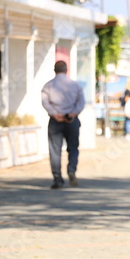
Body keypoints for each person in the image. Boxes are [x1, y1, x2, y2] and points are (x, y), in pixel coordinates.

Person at [41, 60, 85, 189]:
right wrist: (73, 113)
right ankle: (71, 169)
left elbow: (45, 102)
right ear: (66, 70)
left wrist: (54, 113)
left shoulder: (48, 86)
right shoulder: (75, 85)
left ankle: (57, 179)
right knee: (73, 147)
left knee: (55, 150)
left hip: (55, 120)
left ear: (54, 70)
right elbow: (81, 102)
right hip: (71, 120)